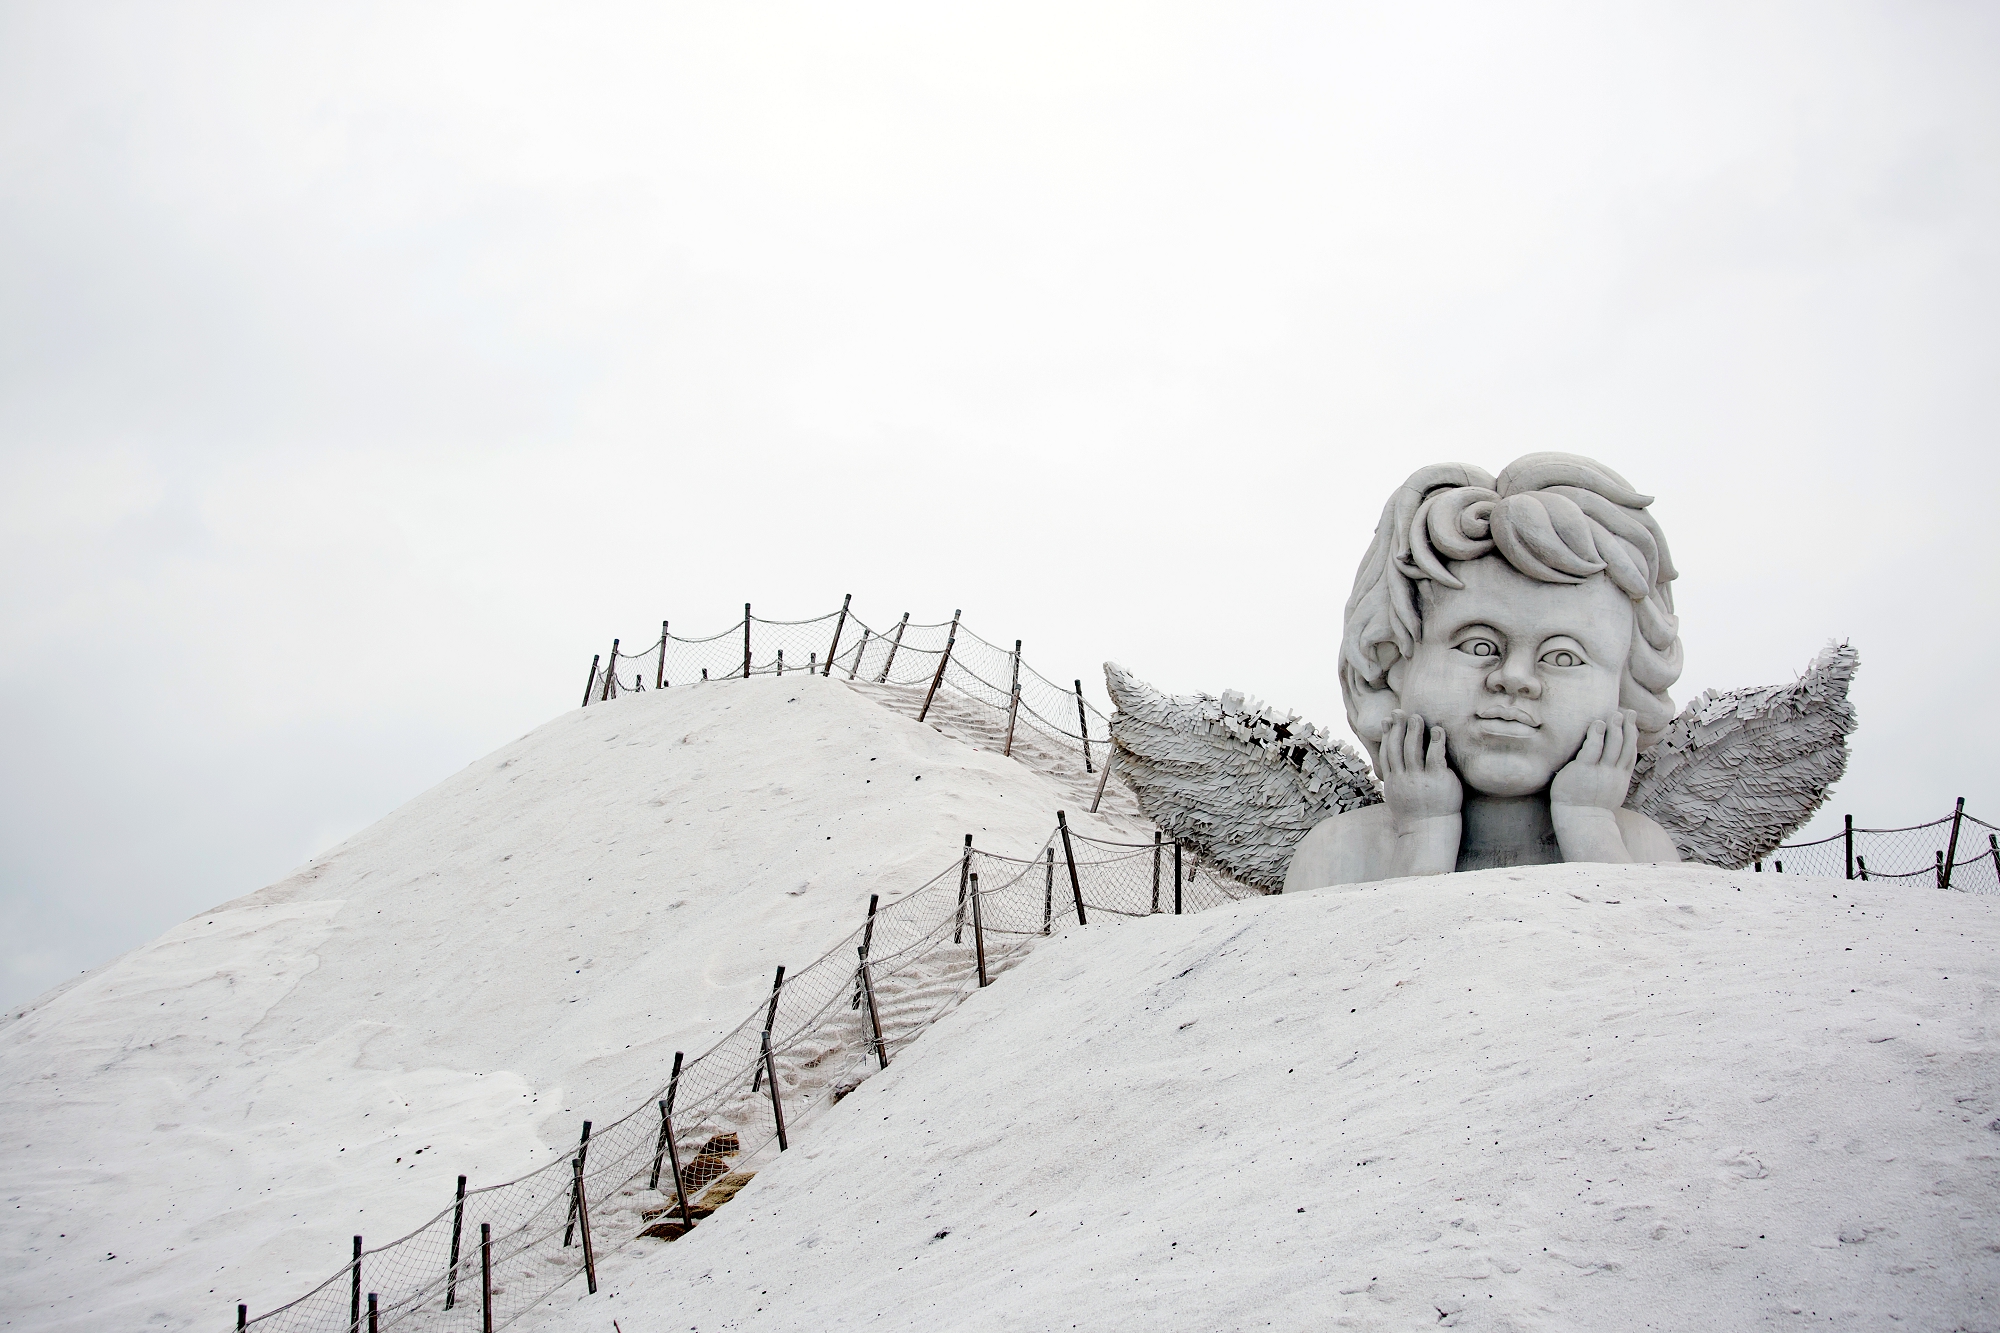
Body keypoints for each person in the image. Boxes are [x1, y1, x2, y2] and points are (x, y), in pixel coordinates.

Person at [1285, 454, 1683, 889]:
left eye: (1563, 657)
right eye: (1478, 646)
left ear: (1625, 689)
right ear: (1391, 666)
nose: (1515, 679)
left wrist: (1590, 826)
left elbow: (1641, 930)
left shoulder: (1639, 847)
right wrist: (1424, 833)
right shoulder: (1342, 851)